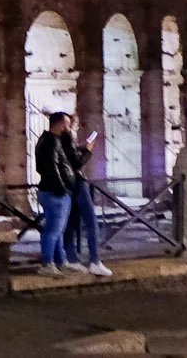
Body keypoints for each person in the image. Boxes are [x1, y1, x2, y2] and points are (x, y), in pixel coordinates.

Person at [62, 123, 113, 278]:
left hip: (68, 185)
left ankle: (71, 258)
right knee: (91, 222)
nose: (74, 127)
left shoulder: (56, 142)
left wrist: (83, 148)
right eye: (72, 125)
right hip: (78, 184)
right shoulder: (66, 139)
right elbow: (76, 163)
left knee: (70, 223)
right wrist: (89, 150)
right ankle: (95, 261)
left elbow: (72, 156)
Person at [32, 112, 78, 276]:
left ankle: (60, 262)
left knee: (57, 230)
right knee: (53, 231)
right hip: (55, 193)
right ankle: (47, 264)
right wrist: (61, 188)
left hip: (52, 191)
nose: (69, 128)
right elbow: (52, 167)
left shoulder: (49, 140)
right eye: (67, 124)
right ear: (59, 124)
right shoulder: (51, 142)